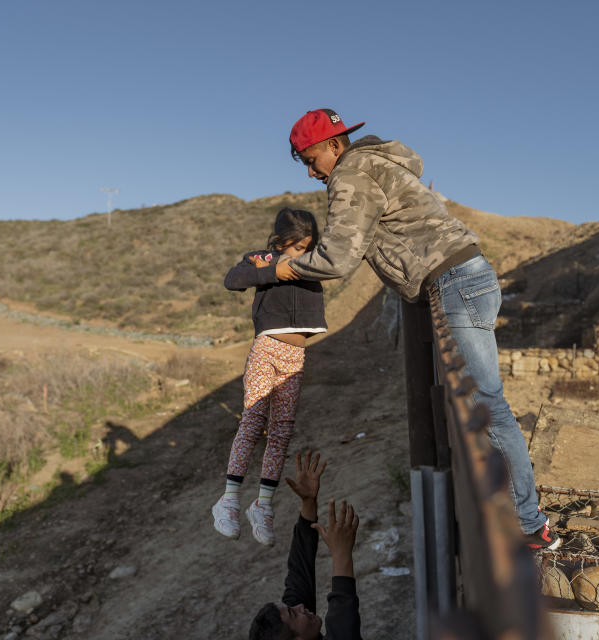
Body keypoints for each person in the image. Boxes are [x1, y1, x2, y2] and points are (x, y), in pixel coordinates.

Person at [276, 108, 559, 550]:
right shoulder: (376, 165)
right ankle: (512, 513)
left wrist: (285, 267)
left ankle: (529, 524)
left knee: (488, 406)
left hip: (455, 283)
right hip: (464, 277)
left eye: (311, 159)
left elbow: (339, 257)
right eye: (304, 164)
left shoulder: (351, 174)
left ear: (334, 146)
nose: (312, 173)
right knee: (476, 404)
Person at [212, 208, 327, 546]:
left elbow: (339, 258)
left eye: (308, 247)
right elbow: (233, 279)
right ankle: (228, 499)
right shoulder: (263, 259)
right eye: (297, 248)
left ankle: (262, 505)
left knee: (281, 431)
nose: (302, 255)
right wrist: (273, 270)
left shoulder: (317, 262)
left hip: (296, 356)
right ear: (280, 242)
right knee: (253, 420)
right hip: (266, 349)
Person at [248, 451, 362, 640]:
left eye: (291, 608)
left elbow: (300, 568)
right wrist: (341, 553)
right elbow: (343, 616)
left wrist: (308, 503)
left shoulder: (296, 625)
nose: (300, 606)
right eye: (294, 613)